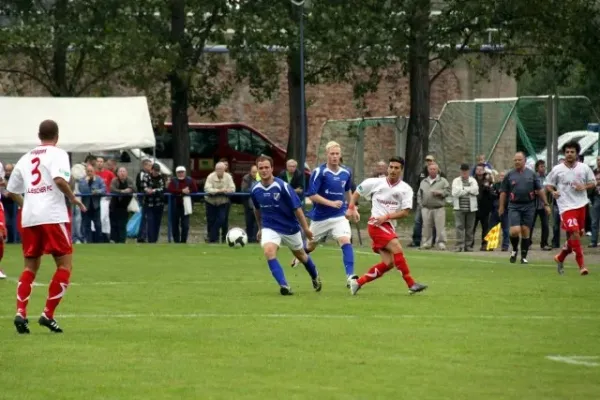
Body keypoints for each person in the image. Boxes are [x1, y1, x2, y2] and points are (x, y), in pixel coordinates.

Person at [6, 120, 86, 334]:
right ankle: (47, 315)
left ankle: (20, 313)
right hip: (52, 215)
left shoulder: (25, 157)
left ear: (38, 135)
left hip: (31, 218)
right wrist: (73, 198)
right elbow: (59, 180)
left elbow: (11, 191)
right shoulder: (58, 154)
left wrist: (28, 204)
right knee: (64, 265)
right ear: (57, 136)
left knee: (29, 267)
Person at [346, 157, 428, 295]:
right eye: (391, 167)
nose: (392, 170)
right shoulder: (375, 183)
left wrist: (387, 217)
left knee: (388, 263)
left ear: (401, 170)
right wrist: (351, 207)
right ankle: (411, 283)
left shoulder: (406, 189)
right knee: (397, 247)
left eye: (396, 168)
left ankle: (358, 283)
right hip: (375, 224)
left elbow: (405, 212)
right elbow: (357, 192)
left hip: (388, 225)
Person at [251, 155, 321, 295]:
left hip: (289, 228)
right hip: (270, 227)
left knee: (301, 255)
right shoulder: (255, 190)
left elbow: (297, 208)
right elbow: (257, 209)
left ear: (272, 169)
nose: (264, 170)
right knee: (269, 252)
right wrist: (260, 228)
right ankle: (284, 285)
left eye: (266, 167)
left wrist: (306, 228)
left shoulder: (282, 186)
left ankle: (314, 275)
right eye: (261, 168)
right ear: (257, 170)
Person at [290, 141, 357, 287]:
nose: (334, 156)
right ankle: (300, 256)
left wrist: (353, 208)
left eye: (337, 154)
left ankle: (350, 277)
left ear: (340, 155)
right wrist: (331, 203)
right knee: (311, 246)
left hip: (340, 216)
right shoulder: (319, 172)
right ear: (327, 155)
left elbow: (347, 191)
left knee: (345, 240)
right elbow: (311, 194)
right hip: (320, 218)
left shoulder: (346, 172)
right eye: (332, 154)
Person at [545, 141, 596, 275]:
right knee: (574, 232)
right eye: (567, 152)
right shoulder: (557, 169)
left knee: (577, 235)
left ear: (577, 154)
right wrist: (553, 192)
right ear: (564, 153)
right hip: (566, 207)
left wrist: (583, 187)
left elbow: (593, 183)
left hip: (581, 205)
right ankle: (582, 266)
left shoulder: (584, 168)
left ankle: (560, 257)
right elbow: (548, 184)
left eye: (572, 152)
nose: (569, 154)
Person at [498, 152, 550, 264]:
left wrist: (546, 204)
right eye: (515, 160)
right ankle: (515, 250)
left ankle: (524, 256)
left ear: (524, 161)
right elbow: (503, 192)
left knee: (525, 231)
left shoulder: (532, 174)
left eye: (519, 160)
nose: (517, 162)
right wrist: (501, 206)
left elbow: (540, 190)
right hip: (514, 205)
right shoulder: (509, 175)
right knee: (515, 231)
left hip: (529, 206)